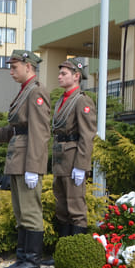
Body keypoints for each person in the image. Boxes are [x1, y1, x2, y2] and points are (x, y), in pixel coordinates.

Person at [0, 49, 51, 268]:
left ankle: (32, 263)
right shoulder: (24, 92)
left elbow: (39, 132)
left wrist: (34, 167)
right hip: (18, 159)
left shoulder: (36, 92)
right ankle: (23, 258)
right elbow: (15, 128)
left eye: (14, 67)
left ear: (29, 67)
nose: (11, 71)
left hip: (27, 161)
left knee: (30, 211)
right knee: (20, 212)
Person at [51, 57, 97, 239]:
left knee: (76, 206)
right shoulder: (61, 100)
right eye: (59, 73)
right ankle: (63, 251)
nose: (59, 76)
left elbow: (87, 135)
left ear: (76, 76)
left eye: (64, 73)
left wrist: (81, 165)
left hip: (73, 160)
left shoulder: (81, 101)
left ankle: (76, 250)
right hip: (61, 160)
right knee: (61, 206)